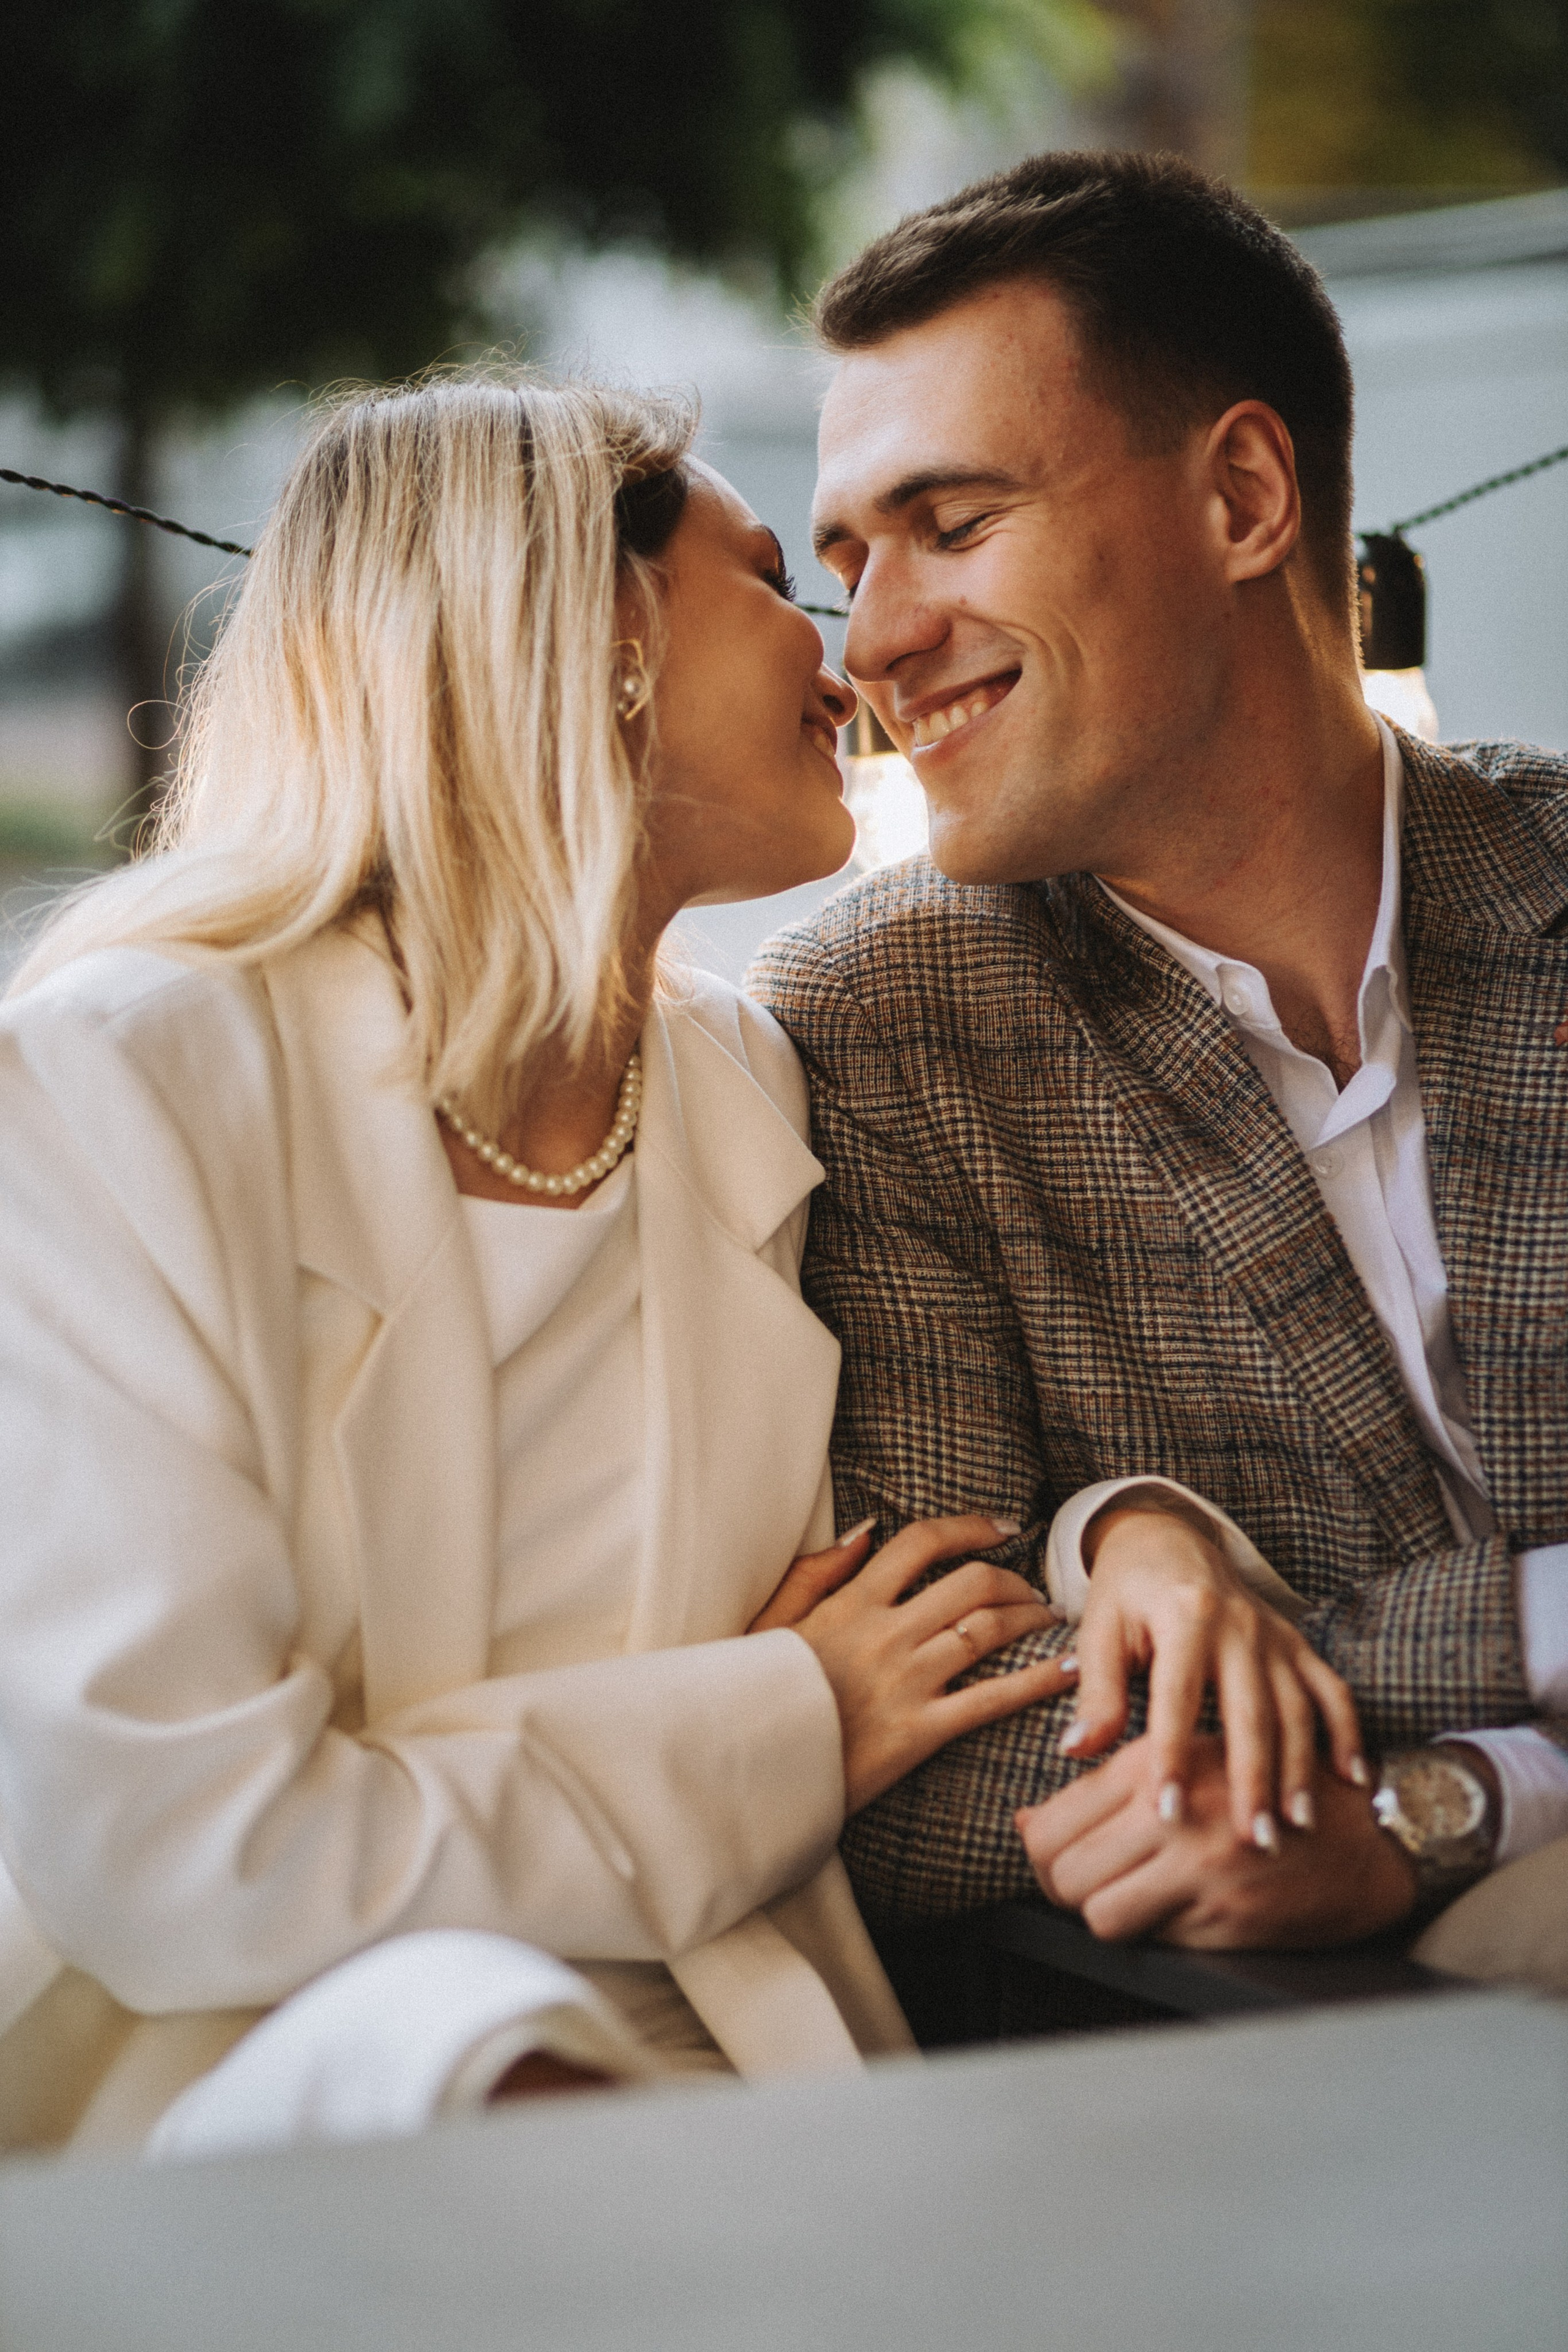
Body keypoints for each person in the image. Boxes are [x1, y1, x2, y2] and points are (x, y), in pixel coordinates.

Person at [0, 369, 1084, 2155]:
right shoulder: (120, 1082)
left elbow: (965, 1528)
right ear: (594, 631)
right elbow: (195, 1860)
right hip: (247, 2074)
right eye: (776, 585)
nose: (854, 668)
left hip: (722, 2014)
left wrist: (1137, 1527)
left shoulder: (746, 1078)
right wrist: (775, 1722)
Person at [755, 151, 1568, 1981]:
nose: (873, 641)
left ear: (1245, 498)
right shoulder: (886, 1034)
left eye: (952, 526)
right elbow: (929, 1756)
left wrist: (1429, 1798)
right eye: (846, 559)